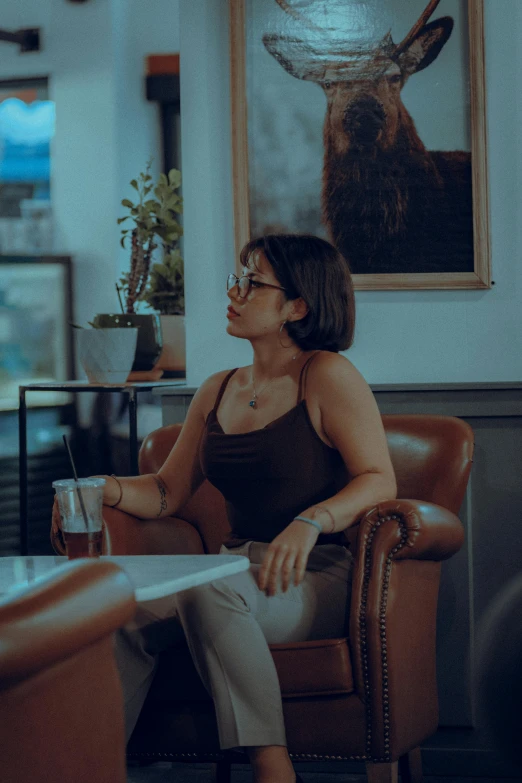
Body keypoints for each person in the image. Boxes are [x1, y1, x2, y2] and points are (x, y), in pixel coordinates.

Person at [51, 233, 397, 783]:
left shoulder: (327, 375)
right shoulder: (217, 389)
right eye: (236, 279)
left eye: (252, 283)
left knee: (208, 590)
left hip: (318, 575)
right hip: (236, 571)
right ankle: (88, 767)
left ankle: (272, 766)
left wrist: (311, 522)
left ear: (297, 306)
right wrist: (102, 487)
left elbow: (379, 480)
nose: (234, 293)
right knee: (116, 614)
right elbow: (168, 491)